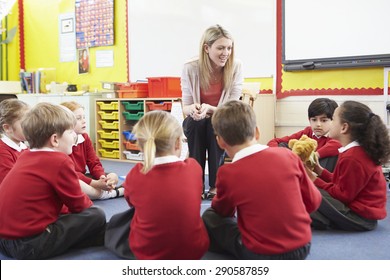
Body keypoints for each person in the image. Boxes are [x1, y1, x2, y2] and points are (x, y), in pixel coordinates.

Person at [201, 100, 321, 260]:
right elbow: (313, 201)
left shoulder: (227, 173)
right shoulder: (288, 155)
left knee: (210, 216)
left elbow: (223, 211)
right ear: (257, 132)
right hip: (302, 245)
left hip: (260, 253)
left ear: (220, 142)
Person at [0, 102, 106, 259]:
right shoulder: (59, 161)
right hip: (30, 245)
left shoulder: (25, 156)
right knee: (96, 214)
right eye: (70, 133)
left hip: (5, 241)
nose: (74, 137)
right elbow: (80, 205)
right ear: (55, 139)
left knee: (71, 221)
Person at [113, 110, 209, 259]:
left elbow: (131, 203)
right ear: (178, 143)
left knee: (120, 220)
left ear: (140, 145)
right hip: (195, 250)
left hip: (148, 253)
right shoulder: (194, 167)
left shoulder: (136, 174)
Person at [306, 100, 390, 231]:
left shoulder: (353, 157)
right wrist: (319, 171)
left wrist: (313, 179)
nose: (331, 124)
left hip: (358, 218)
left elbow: (343, 195)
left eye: (333, 119)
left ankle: (323, 219)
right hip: (360, 214)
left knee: (309, 191)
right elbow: (341, 183)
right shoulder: (353, 152)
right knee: (309, 198)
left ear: (344, 127)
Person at [181, 24, 243, 199]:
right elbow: (185, 106)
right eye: (221, 48)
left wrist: (211, 109)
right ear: (207, 48)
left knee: (215, 125)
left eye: (229, 48)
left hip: (223, 119)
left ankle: (216, 185)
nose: (226, 53)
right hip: (197, 120)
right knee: (196, 123)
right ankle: (197, 184)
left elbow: (231, 109)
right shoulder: (190, 67)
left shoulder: (236, 67)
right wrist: (192, 108)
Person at [61, 101, 123, 200]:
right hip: (71, 178)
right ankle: (111, 193)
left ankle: (104, 189)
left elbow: (94, 162)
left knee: (113, 176)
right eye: (78, 118)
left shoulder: (84, 137)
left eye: (84, 117)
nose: (83, 121)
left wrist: (102, 177)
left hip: (83, 177)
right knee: (80, 186)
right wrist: (95, 183)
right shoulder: (62, 142)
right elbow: (70, 173)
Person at [267, 97, 342, 172]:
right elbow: (275, 141)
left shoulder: (333, 134)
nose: (318, 124)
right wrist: (277, 154)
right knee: (283, 145)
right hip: (302, 169)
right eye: (314, 120)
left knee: (333, 155)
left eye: (324, 120)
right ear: (309, 119)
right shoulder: (307, 132)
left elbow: (338, 144)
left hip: (321, 173)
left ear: (333, 120)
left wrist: (314, 156)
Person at [0, 99, 30, 184]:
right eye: (25, 124)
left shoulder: (24, 148)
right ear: (7, 128)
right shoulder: (3, 152)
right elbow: (8, 183)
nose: (31, 127)